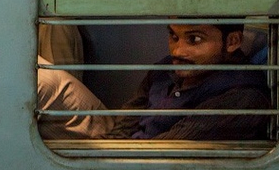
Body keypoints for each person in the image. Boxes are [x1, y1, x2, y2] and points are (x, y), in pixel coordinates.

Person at [107, 22, 270, 140]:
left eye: (195, 39)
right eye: (174, 36)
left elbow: (165, 152)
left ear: (232, 41)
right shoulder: (164, 69)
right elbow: (124, 125)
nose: (177, 51)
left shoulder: (242, 97)